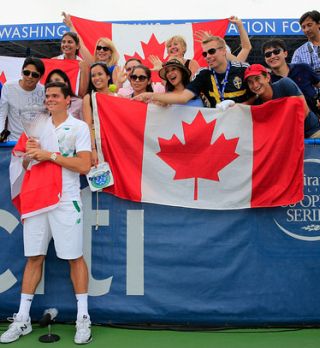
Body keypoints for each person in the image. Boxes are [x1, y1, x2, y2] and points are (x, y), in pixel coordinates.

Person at [0, 81, 92, 344]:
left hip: (66, 200)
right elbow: (23, 161)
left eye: (55, 96)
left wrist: (48, 154)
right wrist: (29, 155)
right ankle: (22, 319)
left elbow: (84, 164)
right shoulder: (36, 125)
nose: (49, 100)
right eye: (47, 96)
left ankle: (83, 318)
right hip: (37, 199)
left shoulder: (78, 127)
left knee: (74, 257)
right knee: (34, 258)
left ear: (67, 100)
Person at [135, 35, 252, 108]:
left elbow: (257, 94)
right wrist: (152, 95)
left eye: (211, 51)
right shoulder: (203, 74)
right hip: (215, 125)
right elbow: (180, 95)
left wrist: (239, 107)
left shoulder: (241, 68)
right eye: (205, 54)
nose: (208, 56)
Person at [244, 64, 320, 138]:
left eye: (257, 78)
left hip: (311, 133)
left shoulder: (284, 84)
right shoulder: (257, 104)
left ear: (267, 77)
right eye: (250, 82)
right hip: (287, 140)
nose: (255, 85)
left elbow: (303, 111)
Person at [262, 38, 320, 116]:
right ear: (265, 59)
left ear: (285, 53)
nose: (272, 56)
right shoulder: (268, 82)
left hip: (314, 122)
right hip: (287, 125)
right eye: (268, 54)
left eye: (276, 52)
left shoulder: (303, 68)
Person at [62, 13, 120, 85]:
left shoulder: (115, 68)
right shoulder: (93, 64)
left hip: (105, 96)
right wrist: (71, 26)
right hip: (92, 96)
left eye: (105, 49)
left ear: (111, 52)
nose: (101, 50)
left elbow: (117, 90)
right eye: (99, 48)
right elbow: (81, 45)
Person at [0, 57, 45, 142]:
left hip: (36, 143)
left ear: (40, 77)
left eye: (35, 75)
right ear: (21, 71)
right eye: (26, 73)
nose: (30, 77)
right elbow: (2, 114)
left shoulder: (44, 91)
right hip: (13, 142)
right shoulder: (8, 87)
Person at [83, 62, 116, 166]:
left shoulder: (117, 97)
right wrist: (93, 150)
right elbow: (88, 126)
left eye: (100, 74)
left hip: (115, 145)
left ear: (108, 76)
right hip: (97, 145)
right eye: (93, 75)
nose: (96, 78)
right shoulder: (88, 98)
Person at [52, 31, 89, 98]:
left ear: (77, 46)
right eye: (63, 42)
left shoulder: (83, 64)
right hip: (56, 100)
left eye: (70, 42)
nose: (66, 44)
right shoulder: (53, 61)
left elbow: (83, 92)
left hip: (75, 102)